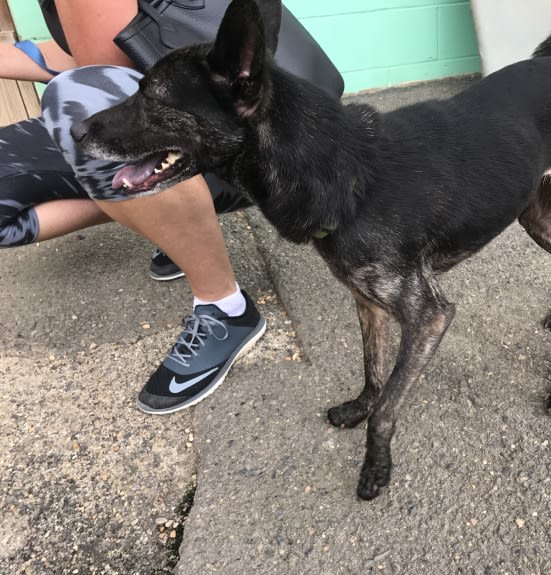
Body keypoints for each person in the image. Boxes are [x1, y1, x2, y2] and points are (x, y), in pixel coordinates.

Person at [0, 0, 343, 414]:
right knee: (79, 98)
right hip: (248, 130)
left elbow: (104, 85)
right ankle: (174, 221)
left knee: (79, 100)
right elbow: (84, 53)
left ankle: (225, 308)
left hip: (235, 150)